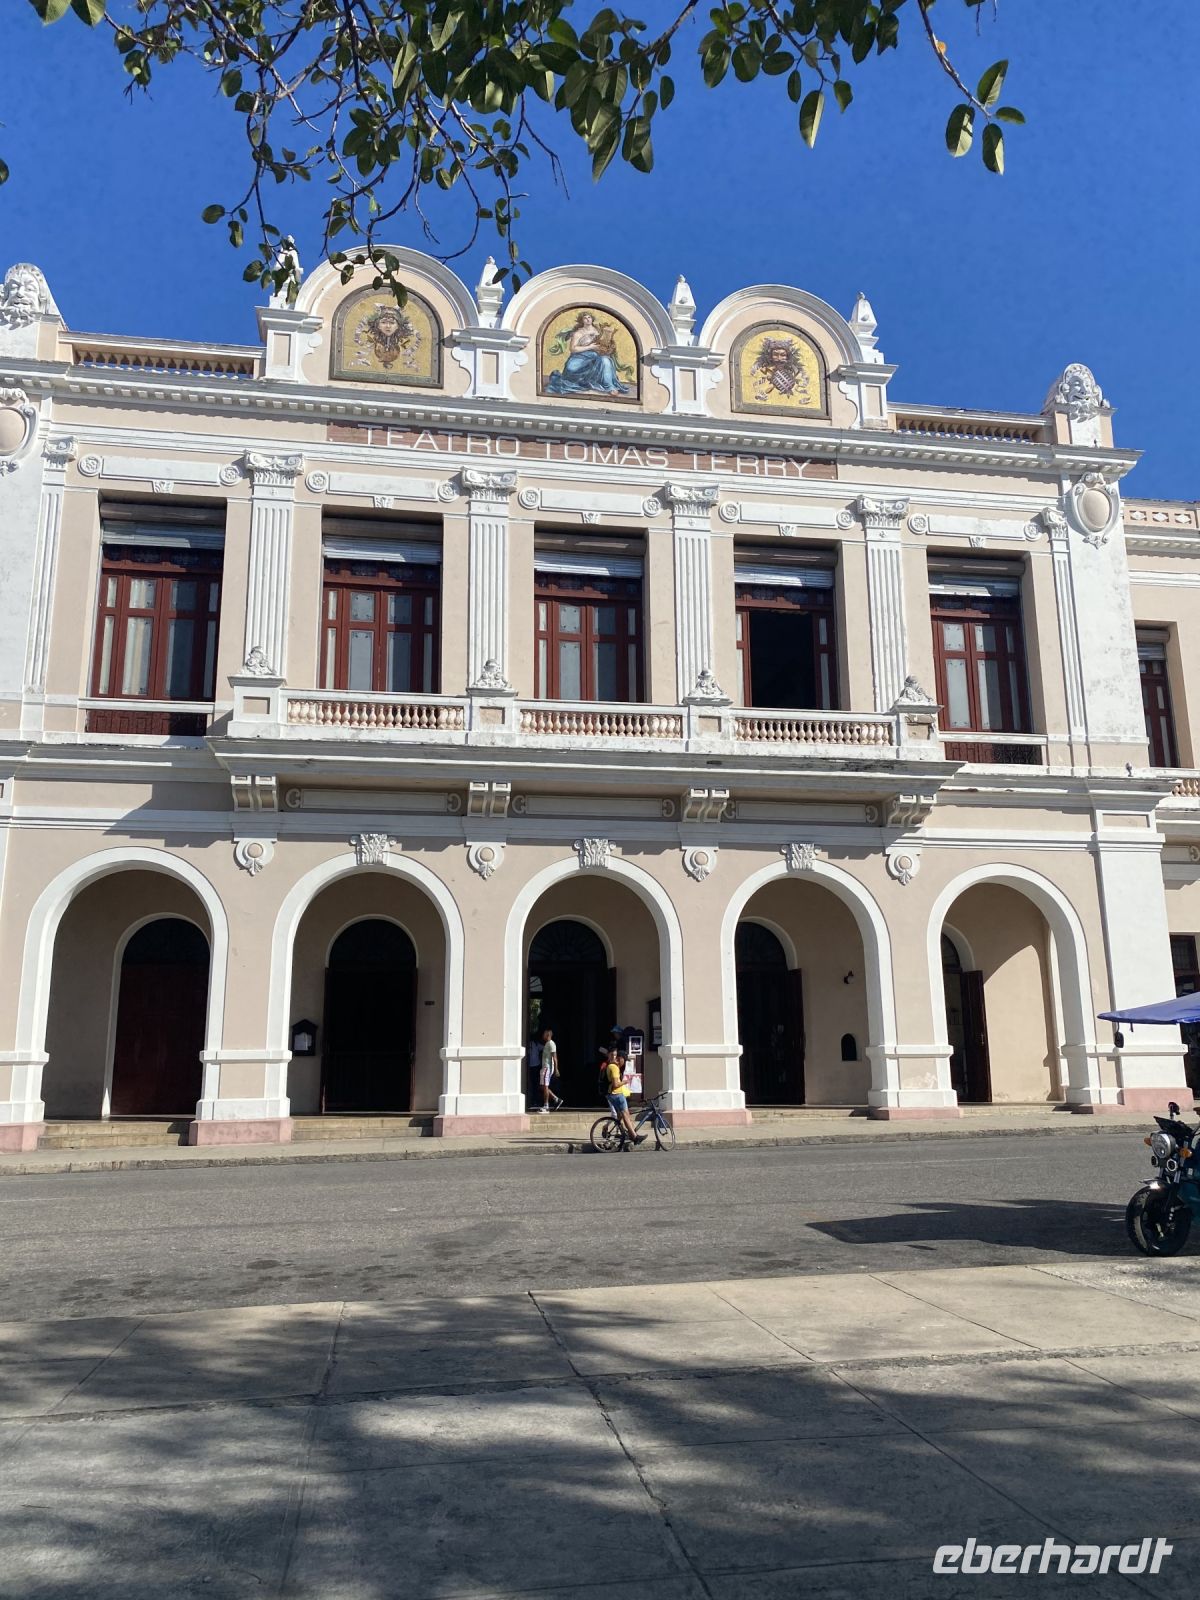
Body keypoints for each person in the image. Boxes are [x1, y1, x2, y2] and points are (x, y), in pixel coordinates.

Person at [601, 1048, 644, 1145]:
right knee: (625, 1115)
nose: (624, 1063)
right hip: (616, 1094)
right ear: (620, 1059)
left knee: (621, 1115)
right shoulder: (614, 1068)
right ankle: (634, 1136)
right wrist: (625, 1082)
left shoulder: (612, 1066)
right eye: (624, 1060)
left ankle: (615, 1130)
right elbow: (616, 1084)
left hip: (614, 1094)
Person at [537, 1027, 563, 1113]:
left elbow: (554, 1058)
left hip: (547, 1067)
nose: (543, 1035)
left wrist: (556, 1069)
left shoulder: (551, 1044)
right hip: (544, 1067)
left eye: (544, 1033)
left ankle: (546, 1106)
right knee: (542, 1086)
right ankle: (556, 1099)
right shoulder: (547, 1044)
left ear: (548, 1034)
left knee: (545, 1086)